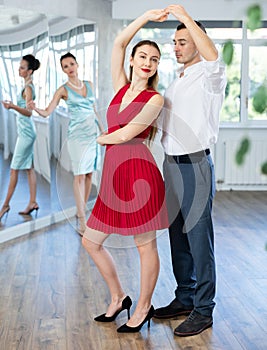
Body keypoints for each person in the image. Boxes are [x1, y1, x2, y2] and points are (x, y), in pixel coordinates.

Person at [82, 9, 169, 333]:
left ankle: (144, 306)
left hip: (141, 177)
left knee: (145, 245)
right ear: (132, 60)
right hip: (113, 179)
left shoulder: (155, 98)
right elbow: (119, 42)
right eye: (143, 55)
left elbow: (125, 133)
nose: (148, 62)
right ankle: (119, 296)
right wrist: (145, 17)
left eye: (155, 59)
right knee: (91, 242)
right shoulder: (120, 86)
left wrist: (99, 137)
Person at [153, 5, 227, 337]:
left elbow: (212, 56)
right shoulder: (177, 79)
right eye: (175, 41)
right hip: (171, 164)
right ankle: (184, 297)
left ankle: (204, 309)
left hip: (196, 165)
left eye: (183, 40)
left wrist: (183, 14)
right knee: (177, 237)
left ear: (199, 41)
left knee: (199, 242)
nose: (176, 46)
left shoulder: (211, 75)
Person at [28, 52, 103, 236]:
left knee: (88, 175)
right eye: (65, 66)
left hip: (92, 135)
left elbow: (94, 109)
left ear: (77, 65)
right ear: (63, 70)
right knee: (78, 176)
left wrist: (103, 131)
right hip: (77, 137)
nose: (70, 68)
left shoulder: (89, 85)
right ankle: (82, 221)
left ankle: (82, 211)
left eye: (71, 64)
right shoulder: (63, 90)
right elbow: (47, 112)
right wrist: (34, 108)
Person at [0, 54, 40, 221]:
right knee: (29, 168)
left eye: (23, 67)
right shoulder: (27, 86)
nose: (19, 69)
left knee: (13, 170)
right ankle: (32, 202)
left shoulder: (28, 88)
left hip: (26, 135)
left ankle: (5, 206)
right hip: (26, 133)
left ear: (30, 71)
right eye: (19, 66)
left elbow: (29, 113)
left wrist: (12, 106)